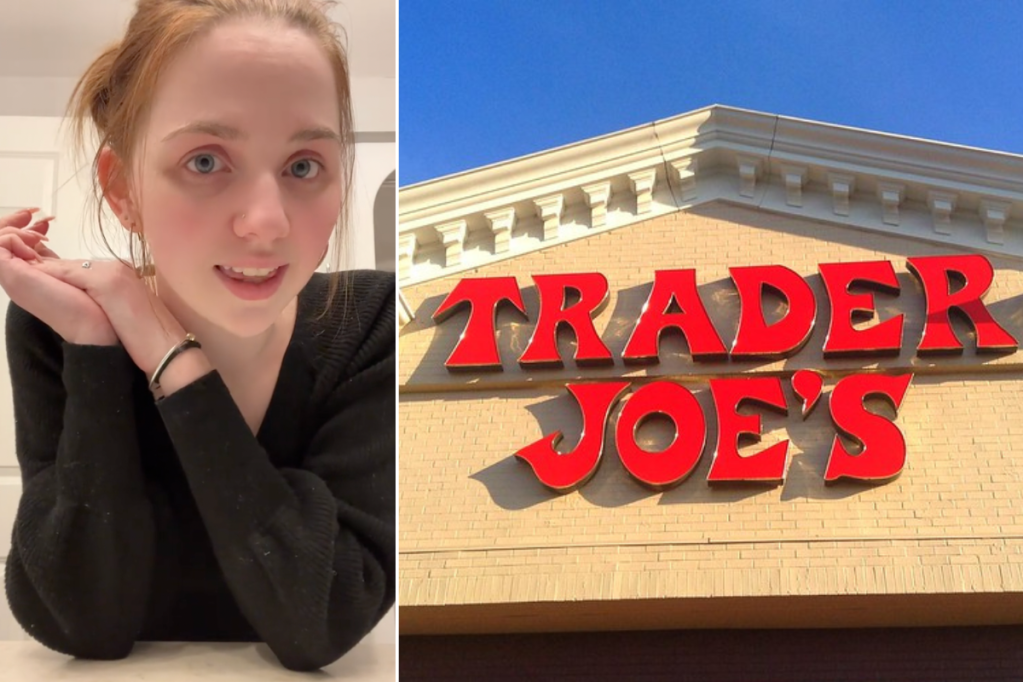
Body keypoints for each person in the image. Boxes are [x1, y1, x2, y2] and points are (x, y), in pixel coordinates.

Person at [0, 0, 394, 672]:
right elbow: (77, 621)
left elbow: (324, 620)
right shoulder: (59, 326)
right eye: (206, 162)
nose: (266, 224)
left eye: (304, 166)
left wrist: (168, 356)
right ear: (122, 188)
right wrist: (96, 351)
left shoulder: (367, 321)